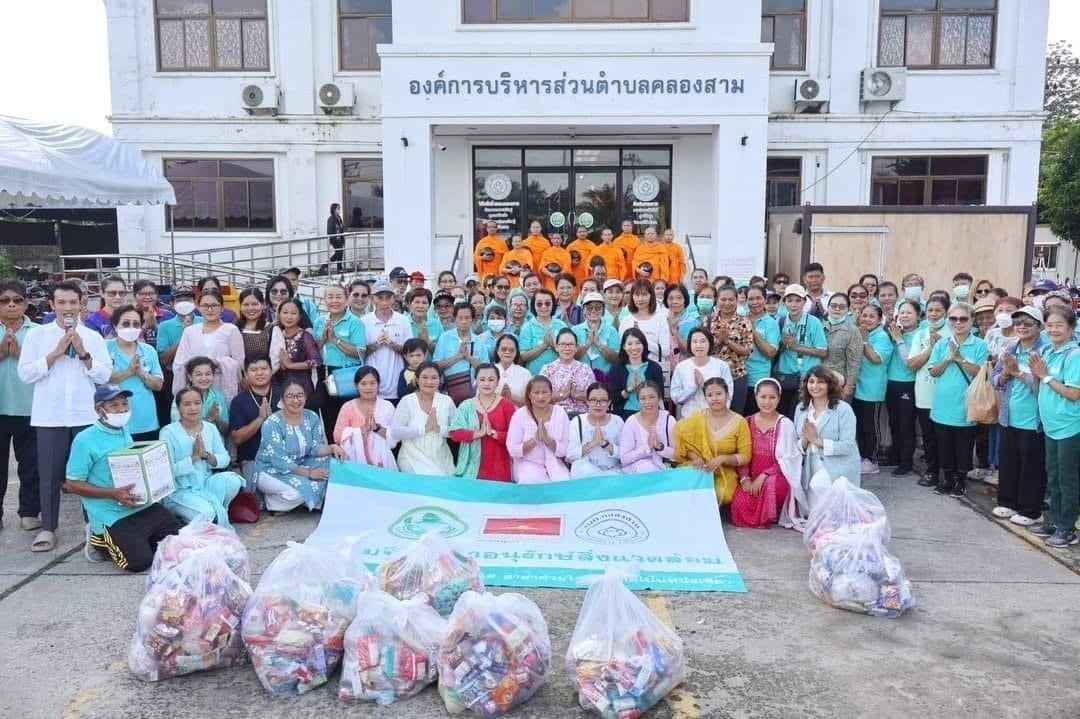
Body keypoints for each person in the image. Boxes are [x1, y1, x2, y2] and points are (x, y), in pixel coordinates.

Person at [18, 280, 112, 552]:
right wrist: (56, 353)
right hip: (50, 415)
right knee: (49, 473)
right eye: (61, 303)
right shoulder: (38, 336)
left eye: (73, 302)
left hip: (84, 414)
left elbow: (104, 376)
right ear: (52, 304)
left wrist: (83, 352)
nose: (67, 308)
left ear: (82, 304)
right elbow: (25, 374)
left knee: (89, 475)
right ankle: (48, 528)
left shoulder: (93, 337)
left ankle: (93, 526)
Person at [64, 385, 182, 571]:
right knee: (139, 562)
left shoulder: (124, 430)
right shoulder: (85, 440)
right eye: (114, 405)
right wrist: (113, 494)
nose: (122, 410)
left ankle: (138, 540)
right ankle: (98, 539)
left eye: (125, 404)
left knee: (177, 545)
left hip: (140, 504)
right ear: (99, 410)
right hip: (110, 514)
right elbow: (71, 484)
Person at [989, 306, 1047, 527]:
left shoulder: (1045, 351)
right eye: (1018, 322)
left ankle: (1031, 510)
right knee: (1009, 462)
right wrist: (1005, 372)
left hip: (1034, 420)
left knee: (1032, 466)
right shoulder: (1010, 347)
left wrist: (1017, 372)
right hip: (1008, 416)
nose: (1021, 326)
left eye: (1028, 323)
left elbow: (1042, 387)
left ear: (1039, 326)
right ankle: (1008, 502)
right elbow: (994, 381)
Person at [1028, 306, 1080, 547]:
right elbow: (1038, 389)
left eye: (1059, 325)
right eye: (1049, 325)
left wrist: (1045, 376)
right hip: (1050, 425)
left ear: (1071, 328)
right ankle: (1056, 520)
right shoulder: (1048, 351)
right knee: (1054, 476)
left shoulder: (1074, 355)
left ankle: (1067, 527)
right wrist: (1036, 375)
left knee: (1068, 479)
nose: (1053, 329)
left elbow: (1073, 394)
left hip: (1070, 427)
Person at [255, 379, 345, 513]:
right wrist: (309, 473)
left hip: (300, 465)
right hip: (271, 471)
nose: (296, 400)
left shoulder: (312, 417)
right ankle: (272, 502)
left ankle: (305, 496)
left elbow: (315, 447)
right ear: (282, 399)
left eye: (300, 395)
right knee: (297, 493)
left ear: (306, 396)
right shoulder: (272, 423)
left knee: (328, 462)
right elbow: (279, 461)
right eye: (290, 396)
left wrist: (332, 447)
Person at [927, 302, 988, 497]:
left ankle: (960, 481)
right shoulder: (941, 343)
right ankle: (947, 479)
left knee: (963, 446)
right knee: (944, 445)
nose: (958, 322)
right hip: (942, 405)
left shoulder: (980, 345)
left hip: (966, 406)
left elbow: (981, 372)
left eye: (963, 318)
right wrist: (948, 358)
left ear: (972, 321)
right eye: (953, 318)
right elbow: (933, 371)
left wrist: (960, 358)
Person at [160, 388, 244, 530]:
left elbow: (225, 458)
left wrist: (207, 456)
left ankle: (216, 511)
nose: (193, 408)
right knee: (207, 512)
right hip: (180, 490)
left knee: (233, 480)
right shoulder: (168, 432)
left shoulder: (210, 428)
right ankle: (198, 514)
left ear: (202, 405)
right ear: (178, 407)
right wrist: (193, 458)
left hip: (205, 484)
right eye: (187, 404)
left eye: (197, 403)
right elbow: (166, 471)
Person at [732, 378, 802, 528]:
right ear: (756, 397)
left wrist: (764, 475)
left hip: (776, 477)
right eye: (763, 397)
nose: (767, 402)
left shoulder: (785, 424)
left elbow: (788, 459)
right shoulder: (747, 422)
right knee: (739, 503)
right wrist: (745, 479)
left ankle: (772, 512)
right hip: (752, 477)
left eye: (772, 397)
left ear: (779, 398)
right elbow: (742, 454)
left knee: (772, 486)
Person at [0, 279, 40, 531]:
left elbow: (45, 367)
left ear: (26, 303)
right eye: (5, 300)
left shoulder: (38, 332)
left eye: (17, 300)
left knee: (31, 465)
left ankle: (29, 512)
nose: (11, 305)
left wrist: (19, 354)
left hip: (30, 409)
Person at [674, 377, 751, 504]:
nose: (714, 398)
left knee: (724, 493)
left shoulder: (740, 422)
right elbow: (684, 444)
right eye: (710, 395)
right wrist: (695, 458)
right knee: (683, 487)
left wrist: (723, 459)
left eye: (719, 394)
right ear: (705, 398)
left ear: (728, 394)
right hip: (699, 468)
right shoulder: (697, 418)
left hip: (724, 472)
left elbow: (745, 456)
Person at [793, 366, 861, 504]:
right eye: (811, 381)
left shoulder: (843, 409)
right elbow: (797, 445)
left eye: (821, 382)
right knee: (811, 512)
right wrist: (806, 440)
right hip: (810, 466)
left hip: (839, 464)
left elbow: (847, 446)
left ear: (830, 385)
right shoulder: (801, 408)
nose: (815, 386)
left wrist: (817, 440)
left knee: (818, 486)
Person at [908, 293, 951, 487]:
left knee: (945, 435)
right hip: (924, 390)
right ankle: (932, 471)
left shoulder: (953, 332)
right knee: (928, 435)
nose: (933, 314)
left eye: (938, 310)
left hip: (945, 393)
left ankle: (948, 474)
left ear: (946, 312)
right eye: (931, 310)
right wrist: (931, 347)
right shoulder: (920, 334)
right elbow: (913, 364)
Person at [172, 289, 244, 402]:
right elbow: (179, 363)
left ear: (222, 308)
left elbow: (239, 364)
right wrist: (196, 366)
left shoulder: (231, 330)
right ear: (198, 307)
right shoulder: (190, 331)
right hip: (195, 390)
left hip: (221, 386)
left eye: (214, 305)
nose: (210, 309)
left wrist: (219, 363)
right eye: (205, 306)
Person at [314, 284, 366, 438]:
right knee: (329, 419)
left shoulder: (354, 322)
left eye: (338, 297)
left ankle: (351, 456)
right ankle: (334, 456)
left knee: (348, 419)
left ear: (346, 299)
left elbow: (360, 352)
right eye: (330, 297)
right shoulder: (319, 321)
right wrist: (323, 339)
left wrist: (336, 340)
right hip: (325, 372)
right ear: (324, 300)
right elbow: (313, 350)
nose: (334, 301)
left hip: (346, 374)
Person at [106, 305, 164, 442]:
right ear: (115, 325)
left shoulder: (148, 350)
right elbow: (101, 380)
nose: (131, 328)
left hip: (146, 420)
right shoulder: (105, 347)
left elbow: (158, 385)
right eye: (125, 324)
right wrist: (128, 372)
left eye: (136, 324)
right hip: (114, 418)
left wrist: (141, 373)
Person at [449, 364, 515, 481]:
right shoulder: (466, 405)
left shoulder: (507, 405)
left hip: (500, 465)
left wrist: (494, 433)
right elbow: (454, 433)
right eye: (482, 379)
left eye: (491, 379)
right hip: (471, 467)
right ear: (476, 381)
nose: (486, 383)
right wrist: (478, 433)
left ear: (498, 381)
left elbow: (515, 437)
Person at [391, 362, 455, 475]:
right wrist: (423, 429)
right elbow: (395, 432)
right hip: (411, 457)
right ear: (416, 379)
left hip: (441, 457)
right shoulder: (407, 401)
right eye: (424, 377)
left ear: (440, 380)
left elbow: (457, 432)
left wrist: (438, 429)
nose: (429, 382)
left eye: (434, 378)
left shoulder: (447, 401)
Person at [775, 284, 828, 418]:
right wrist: (784, 344)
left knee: (801, 417)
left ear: (804, 302)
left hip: (808, 378)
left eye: (798, 300)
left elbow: (823, 352)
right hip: (786, 376)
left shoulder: (814, 322)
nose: (793, 304)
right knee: (783, 416)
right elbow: (776, 350)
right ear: (784, 302)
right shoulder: (780, 321)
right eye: (790, 300)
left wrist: (796, 347)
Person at [228, 355, 282, 488]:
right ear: (245, 374)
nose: (259, 373)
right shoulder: (239, 401)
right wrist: (260, 419)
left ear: (271, 370)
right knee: (255, 495)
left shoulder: (284, 394)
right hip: (253, 459)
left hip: (284, 456)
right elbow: (237, 438)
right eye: (254, 370)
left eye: (264, 368)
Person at [852, 305, 894, 475]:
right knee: (859, 425)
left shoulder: (882, 337)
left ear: (879, 319)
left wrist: (864, 341)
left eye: (871, 316)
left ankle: (873, 459)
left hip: (873, 388)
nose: (867, 319)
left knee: (871, 425)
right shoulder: (859, 332)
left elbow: (876, 359)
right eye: (864, 315)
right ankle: (863, 456)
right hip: (858, 385)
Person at [507, 376, 570, 483]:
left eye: (545, 392)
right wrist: (534, 441)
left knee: (563, 483)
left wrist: (548, 440)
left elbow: (565, 449)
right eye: (536, 393)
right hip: (527, 464)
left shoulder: (560, 413)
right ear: (529, 395)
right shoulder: (520, 415)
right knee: (531, 482)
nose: (541, 397)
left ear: (551, 394)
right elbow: (512, 449)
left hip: (555, 463)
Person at [333, 366, 397, 470]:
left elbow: (395, 437)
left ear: (378, 385)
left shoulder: (387, 406)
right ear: (356, 385)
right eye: (363, 383)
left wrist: (377, 428)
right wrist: (362, 430)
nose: (368, 387)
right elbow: (337, 436)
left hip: (383, 463)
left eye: (372, 383)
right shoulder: (348, 407)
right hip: (354, 463)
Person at [884, 300, 921, 477]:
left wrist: (899, 340)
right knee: (894, 422)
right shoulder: (895, 332)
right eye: (902, 313)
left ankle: (906, 462)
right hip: (891, 382)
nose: (905, 316)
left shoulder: (919, 335)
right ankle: (895, 456)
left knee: (906, 424)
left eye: (909, 313)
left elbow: (909, 362)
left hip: (908, 383)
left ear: (918, 316)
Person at [361, 280, 411, 401]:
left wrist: (391, 344)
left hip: (396, 385)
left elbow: (409, 352)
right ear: (373, 299)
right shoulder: (364, 321)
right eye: (380, 298)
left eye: (388, 298)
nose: (384, 302)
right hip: (371, 386)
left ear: (393, 299)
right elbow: (360, 353)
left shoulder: (403, 320)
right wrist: (376, 344)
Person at [670, 328, 733, 418]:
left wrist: (705, 386)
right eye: (695, 342)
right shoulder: (681, 367)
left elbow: (729, 395)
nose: (699, 345)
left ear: (710, 343)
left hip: (715, 418)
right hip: (689, 419)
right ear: (690, 344)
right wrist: (693, 387)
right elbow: (676, 397)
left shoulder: (722, 366)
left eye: (703, 341)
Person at [709, 285, 753, 412]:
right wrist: (718, 341)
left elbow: (747, 351)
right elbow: (703, 348)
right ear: (717, 299)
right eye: (723, 299)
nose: (727, 303)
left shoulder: (744, 321)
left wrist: (727, 341)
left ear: (736, 300)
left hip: (737, 376)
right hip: (713, 376)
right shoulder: (709, 320)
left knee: (735, 415)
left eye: (731, 299)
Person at [566, 383, 623, 478]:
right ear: (587, 401)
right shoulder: (577, 421)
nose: (598, 405)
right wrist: (591, 444)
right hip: (586, 472)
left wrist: (605, 444)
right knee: (581, 468)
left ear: (609, 402)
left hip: (611, 471)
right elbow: (570, 456)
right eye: (593, 400)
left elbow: (625, 454)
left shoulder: (617, 421)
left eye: (603, 401)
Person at [619, 381, 677, 474]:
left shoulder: (669, 420)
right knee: (646, 468)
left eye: (652, 397)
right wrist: (647, 447)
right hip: (639, 472)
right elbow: (624, 459)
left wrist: (660, 448)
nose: (648, 402)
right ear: (638, 401)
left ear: (659, 398)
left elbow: (678, 454)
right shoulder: (631, 422)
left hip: (665, 470)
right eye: (643, 398)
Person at [608, 328, 665, 419]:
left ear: (644, 345)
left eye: (638, 343)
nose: (634, 347)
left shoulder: (654, 368)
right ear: (624, 347)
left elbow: (660, 394)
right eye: (629, 344)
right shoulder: (616, 368)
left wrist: (645, 388)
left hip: (649, 413)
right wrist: (628, 390)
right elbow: (612, 398)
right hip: (624, 414)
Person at [269, 298, 320, 397]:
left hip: (300, 387)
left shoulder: (305, 336)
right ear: (279, 314)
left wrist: (290, 365)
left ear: (300, 316)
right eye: (285, 312)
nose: (289, 317)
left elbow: (316, 361)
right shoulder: (275, 333)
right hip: (277, 386)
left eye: (293, 313)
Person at [540, 328, 595, 416]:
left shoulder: (585, 369)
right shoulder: (547, 369)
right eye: (563, 344)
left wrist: (577, 395)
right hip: (554, 415)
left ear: (576, 347)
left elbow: (594, 395)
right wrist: (562, 395)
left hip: (581, 415)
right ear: (557, 347)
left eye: (571, 344)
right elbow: (540, 396)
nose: (567, 348)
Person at [819, 292, 862, 402]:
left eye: (842, 307)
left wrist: (849, 386)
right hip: (817, 382)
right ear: (828, 308)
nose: (837, 309)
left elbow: (854, 362)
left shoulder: (852, 331)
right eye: (833, 306)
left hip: (838, 384)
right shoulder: (819, 326)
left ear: (848, 310)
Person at [744, 286, 780, 415]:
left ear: (765, 300)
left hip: (758, 379)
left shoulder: (771, 323)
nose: (755, 302)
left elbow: (771, 352)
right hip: (739, 377)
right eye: (751, 299)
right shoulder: (740, 318)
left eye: (758, 298)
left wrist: (751, 329)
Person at [172, 356, 230, 437]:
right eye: (199, 374)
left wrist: (217, 419)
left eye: (208, 374)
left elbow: (226, 431)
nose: (204, 378)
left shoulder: (218, 397)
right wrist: (209, 419)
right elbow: (177, 431)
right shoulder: (181, 397)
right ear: (190, 377)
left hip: (216, 447)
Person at [573, 291, 620, 382]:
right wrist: (587, 344)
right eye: (589, 308)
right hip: (581, 379)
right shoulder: (575, 330)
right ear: (584, 310)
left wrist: (599, 344)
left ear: (603, 310)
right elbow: (571, 357)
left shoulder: (612, 330)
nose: (593, 310)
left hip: (605, 379)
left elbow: (616, 359)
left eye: (598, 307)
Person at [519, 289, 568, 375]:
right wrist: (544, 345)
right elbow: (522, 357)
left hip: (559, 377)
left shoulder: (561, 325)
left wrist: (555, 346)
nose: (544, 307)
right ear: (534, 306)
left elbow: (569, 352)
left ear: (553, 305)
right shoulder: (527, 327)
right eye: (539, 304)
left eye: (547, 303)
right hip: (535, 378)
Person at [131, 279, 173, 350]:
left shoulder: (168, 315)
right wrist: (145, 327)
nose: (147, 297)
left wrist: (156, 327)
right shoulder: (128, 315)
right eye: (142, 294)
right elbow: (126, 340)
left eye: (151, 293)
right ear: (135, 296)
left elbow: (172, 338)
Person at [493, 333, 530, 406]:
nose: (507, 352)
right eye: (504, 349)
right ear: (497, 351)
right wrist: (499, 396)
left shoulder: (525, 374)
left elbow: (531, 402)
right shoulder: (488, 371)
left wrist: (511, 397)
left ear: (516, 352)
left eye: (511, 350)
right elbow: (480, 399)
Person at [236, 287, 270, 364]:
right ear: (240, 307)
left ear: (263, 305)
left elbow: (275, 358)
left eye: (255, 304)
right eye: (246, 305)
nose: (250, 308)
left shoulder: (271, 329)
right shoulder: (234, 329)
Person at [327, 202, 346, 273]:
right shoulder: (331, 219)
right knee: (339, 252)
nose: (339, 210)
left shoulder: (339, 218)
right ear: (334, 209)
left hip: (340, 238)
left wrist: (342, 239)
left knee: (339, 252)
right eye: (338, 208)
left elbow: (341, 229)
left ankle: (327, 264)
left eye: (339, 208)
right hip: (334, 239)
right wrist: (333, 238)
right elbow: (329, 231)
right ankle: (339, 268)